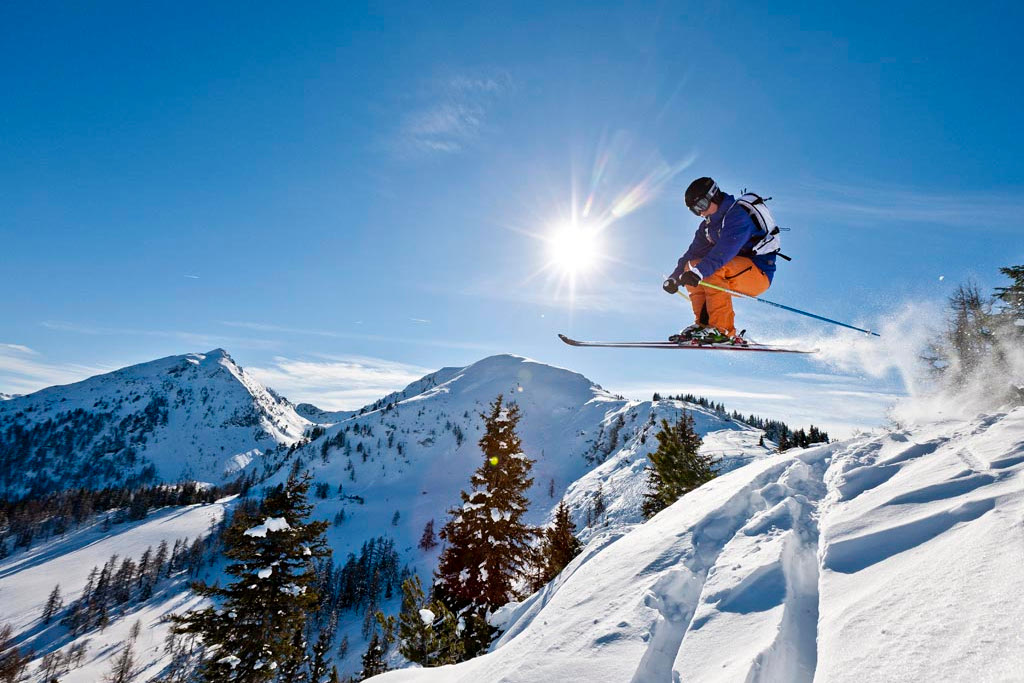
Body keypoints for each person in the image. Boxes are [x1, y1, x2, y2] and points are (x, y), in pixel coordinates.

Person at [662, 177, 777, 344]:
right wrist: (675, 277)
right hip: (733, 271)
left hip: (759, 274)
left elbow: (724, 252)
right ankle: (703, 326)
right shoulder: (708, 228)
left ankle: (722, 330)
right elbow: (691, 254)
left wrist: (699, 272)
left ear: (714, 196)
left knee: (708, 268)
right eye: (695, 210)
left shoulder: (738, 216)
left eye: (701, 205)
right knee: (691, 266)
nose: (700, 213)